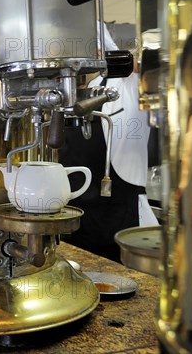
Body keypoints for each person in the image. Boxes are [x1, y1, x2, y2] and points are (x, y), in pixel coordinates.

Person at [59, 24, 158, 262]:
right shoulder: (75, 94)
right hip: (78, 222)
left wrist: (125, 60)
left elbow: (163, 61)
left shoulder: (127, 84)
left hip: (121, 218)